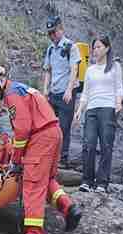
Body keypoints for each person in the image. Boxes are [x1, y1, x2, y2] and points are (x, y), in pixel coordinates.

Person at [0, 65, 83, 234]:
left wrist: (17, 161)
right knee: (46, 180)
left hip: (41, 137)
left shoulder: (12, 95)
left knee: (32, 184)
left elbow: (22, 130)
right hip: (53, 133)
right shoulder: (21, 89)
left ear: (0, 81)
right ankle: (69, 209)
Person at [74, 34, 123, 193]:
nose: (95, 50)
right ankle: (87, 181)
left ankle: (102, 183)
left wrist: (118, 103)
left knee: (106, 146)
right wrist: (79, 109)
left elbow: (119, 88)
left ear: (107, 48)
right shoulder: (90, 70)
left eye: (98, 47)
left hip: (108, 109)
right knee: (88, 144)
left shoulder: (115, 66)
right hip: (91, 110)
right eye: (93, 48)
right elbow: (86, 93)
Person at [42, 15, 81, 168]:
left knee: (64, 127)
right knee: (49, 126)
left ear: (61, 29)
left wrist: (69, 90)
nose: (52, 36)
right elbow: (47, 70)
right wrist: (45, 90)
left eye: (54, 32)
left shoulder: (71, 46)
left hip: (66, 93)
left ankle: (63, 159)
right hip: (53, 93)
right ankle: (50, 155)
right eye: (49, 33)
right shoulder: (50, 49)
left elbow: (74, 69)